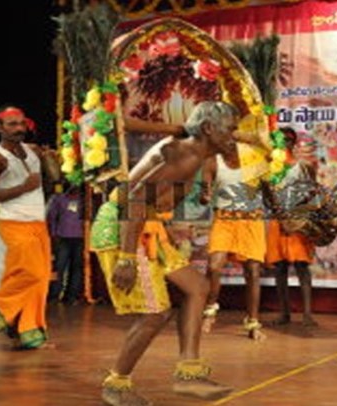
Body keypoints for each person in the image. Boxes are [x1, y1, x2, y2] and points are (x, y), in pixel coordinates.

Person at [91, 101, 247, 404]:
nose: (234, 135)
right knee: (155, 313)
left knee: (198, 287)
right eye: (229, 129)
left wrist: (168, 228)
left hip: (146, 226)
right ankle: (116, 384)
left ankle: (189, 373)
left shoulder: (197, 154)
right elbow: (134, 199)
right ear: (207, 129)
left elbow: (155, 201)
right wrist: (126, 258)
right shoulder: (184, 154)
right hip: (124, 227)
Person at [0, 105, 59, 349]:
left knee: (41, 279)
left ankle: (29, 334)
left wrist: (51, 161)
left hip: (37, 222)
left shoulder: (33, 150)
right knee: (30, 274)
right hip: (13, 223)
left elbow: (54, 180)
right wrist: (22, 188)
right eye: (11, 124)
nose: (18, 128)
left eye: (21, 124)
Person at [202, 123, 272, 341]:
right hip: (224, 220)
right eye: (227, 137)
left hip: (251, 222)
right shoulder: (213, 161)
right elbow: (205, 190)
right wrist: (204, 196)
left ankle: (252, 323)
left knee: (252, 272)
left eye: (236, 138)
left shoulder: (255, 161)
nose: (231, 142)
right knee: (214, 266)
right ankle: (209, 310)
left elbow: (269, 188)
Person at [267, 127, 318, 327]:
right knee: (280, 268)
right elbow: (265, 195)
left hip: (297, 220)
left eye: (289, 139)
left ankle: (307, 313)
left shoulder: (303, 166)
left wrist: (299, 215)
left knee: (302, 266)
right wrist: (281, 216)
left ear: (294, 142)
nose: (285, 142)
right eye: (281, 139)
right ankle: (284, 313)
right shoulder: (269, 168)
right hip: (277, 221)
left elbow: (313, 192)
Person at [46, 182, 85, 305]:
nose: (75, 186)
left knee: (76, 267)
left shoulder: (84, 200)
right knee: (60, 267)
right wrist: (53, 234)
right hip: (63, 237)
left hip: (80, 237)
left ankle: (71, 296)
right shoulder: (59, 199)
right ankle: (54, 295)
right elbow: (52, 217)